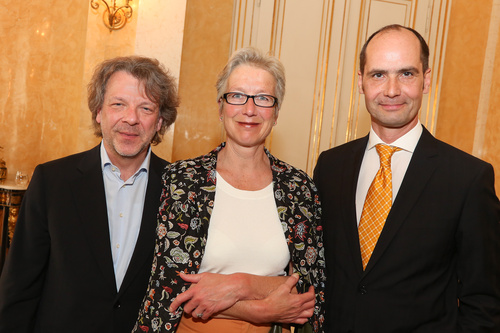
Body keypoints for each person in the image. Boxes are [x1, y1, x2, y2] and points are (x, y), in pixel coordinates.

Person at [313, 24, 500, 332]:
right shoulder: (330, 166)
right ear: (360, 82)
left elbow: (484, 301)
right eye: (378, 74)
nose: (391, 90)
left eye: (406, 74)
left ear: (426, 80)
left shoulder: (468, 179)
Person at [133, 47, 326, 333]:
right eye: (237, 96)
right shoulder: (182, 180)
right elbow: (169, 285)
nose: (250, 110)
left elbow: (310, 291)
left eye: (263, 98)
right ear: (221, 108)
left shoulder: (300, 189)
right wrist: (258, 308)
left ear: (276, 113)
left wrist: (239, 284)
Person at [0, 56, 179, 333]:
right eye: (118, 104)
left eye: (146, 108)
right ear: (98, 112)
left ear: (159, 122)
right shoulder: (52, 181)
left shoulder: (178, 189)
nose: (131, 118)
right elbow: (19, 287)